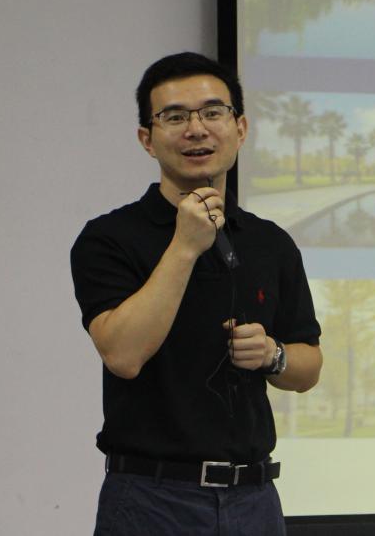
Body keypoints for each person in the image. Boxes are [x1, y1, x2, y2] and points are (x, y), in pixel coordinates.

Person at [71, 52, 322, 535]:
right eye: (175, 117)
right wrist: (185, 246)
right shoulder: (110, 238)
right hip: (151, 499)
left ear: (240, 128)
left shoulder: (270, 242)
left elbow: (308, 365)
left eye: (212, 112)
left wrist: (272, 355)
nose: (196, 129)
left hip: (255, 500)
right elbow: (122, 354)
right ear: (147, 139)